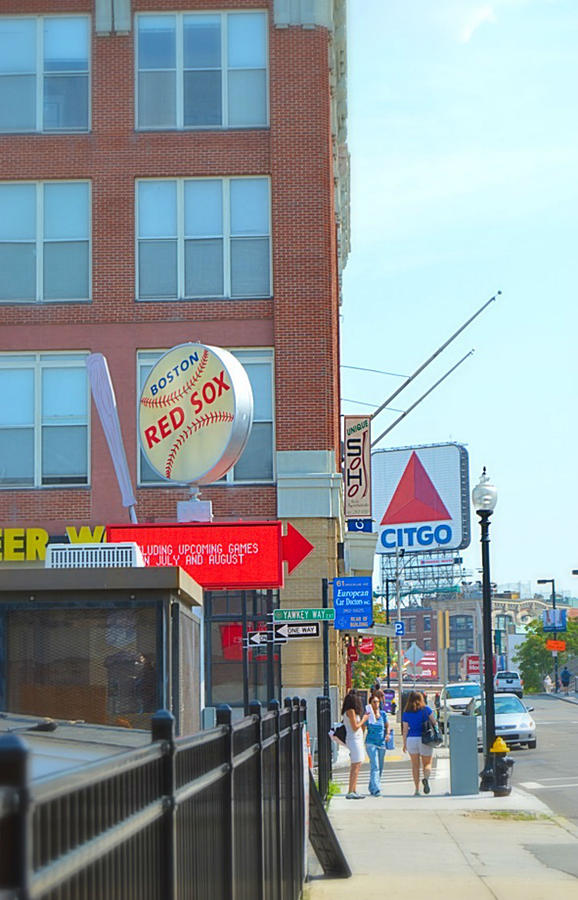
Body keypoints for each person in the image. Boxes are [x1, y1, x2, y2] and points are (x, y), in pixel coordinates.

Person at [402, 690, 437, 796]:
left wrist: (404, 744)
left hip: (411, 740)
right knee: (427, 764)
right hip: (424, 739)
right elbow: (434, 722)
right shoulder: (426, 710)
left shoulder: (406, 712)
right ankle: (425, 778)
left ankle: (417, 790)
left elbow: (405, 730)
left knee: (415, 766)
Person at [341, 690, 369, 799]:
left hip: (357, 738)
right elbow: (355, 726)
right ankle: (350, 791)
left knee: (358, 764)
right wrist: (363, 720)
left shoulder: (350, 711)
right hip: (353, 739)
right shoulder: (350, 711)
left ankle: (353, 789)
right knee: (355, 765)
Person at [365, 692, 390, 796]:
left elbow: (387, 726)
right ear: (370, 703)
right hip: (371, 742)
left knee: (380, 766)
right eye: (374, 702)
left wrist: (387, 734)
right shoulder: (368, 715)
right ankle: (376, 789)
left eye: (377, 702)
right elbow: (363, 727)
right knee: (375, 765)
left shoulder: (383, 714)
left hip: (381, 742)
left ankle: (372, 786)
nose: (376, 704)